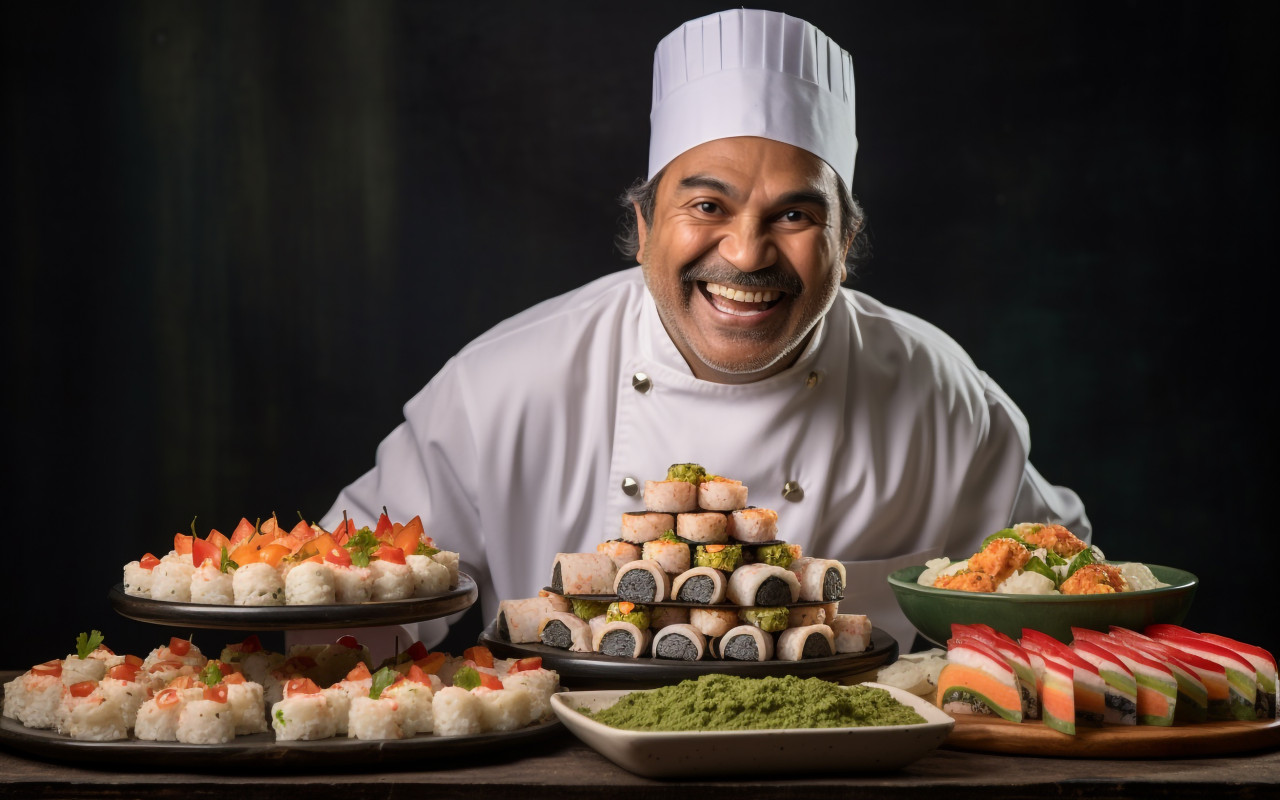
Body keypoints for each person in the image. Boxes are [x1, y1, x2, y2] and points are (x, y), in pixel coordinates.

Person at [316, 8, 1088, 655]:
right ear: (645, 224)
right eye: (708, 206)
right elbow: (339, 610)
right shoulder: (501, 387)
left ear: (845, 243)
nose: (747, 254)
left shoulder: (940, 397)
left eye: (794, 214)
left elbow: (1069, 599)